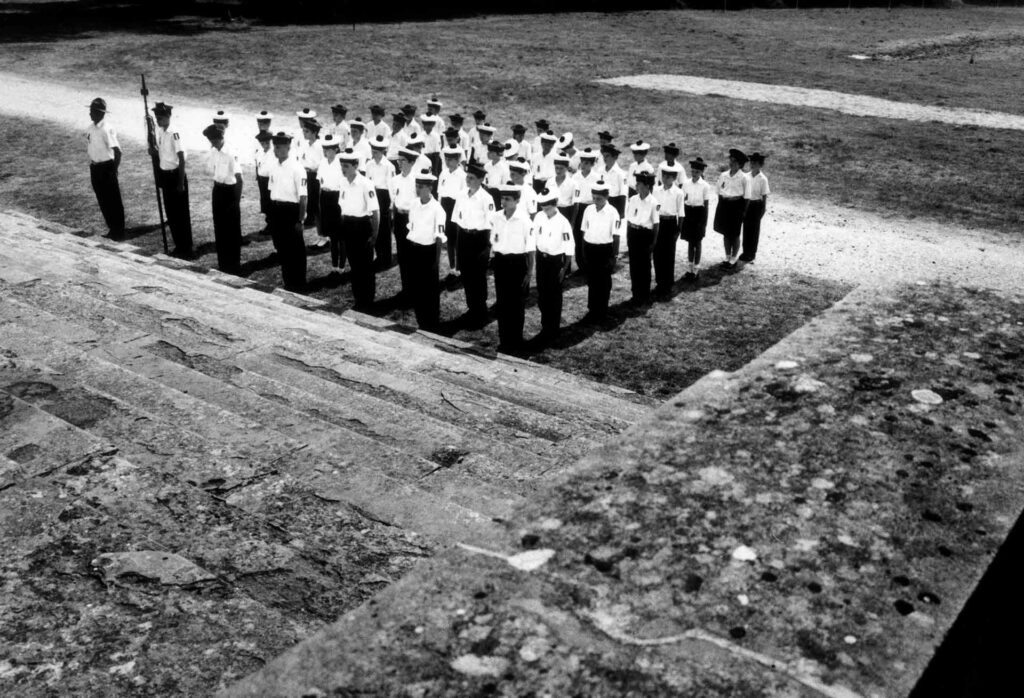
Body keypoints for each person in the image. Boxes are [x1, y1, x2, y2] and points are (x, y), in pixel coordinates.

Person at [489, 184, 535, 352]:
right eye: (502, 198)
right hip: (501, 262)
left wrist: (529, 272)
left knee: (516, 304)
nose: (504, 202)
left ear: (517, 200)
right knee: (502, 302)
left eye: (508, 199)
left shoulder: (525, 221)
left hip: (517, 264)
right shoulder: (495, 217)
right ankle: (504, 340)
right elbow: (493, 239)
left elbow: (530, 249)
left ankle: (516, 340)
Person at [452, 163, 495, 327]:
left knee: (478, 275)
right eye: (467, 177)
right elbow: (457, 220)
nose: (467, 180)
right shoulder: (462, 195)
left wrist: (489, 248)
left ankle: (480, 310)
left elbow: (491, 224)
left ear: (480, 180)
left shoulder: (486, 198)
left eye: (471, 178)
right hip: (464, 237)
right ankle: (472, 308)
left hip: (480, 239)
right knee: (466, 274)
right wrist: (458, 243)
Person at [338, 148, 381, 309]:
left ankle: (367, 301)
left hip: (362, 227)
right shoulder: (342, 182)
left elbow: (375, 211)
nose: (343, 169)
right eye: (342, 165)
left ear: (356, 165)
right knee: (354, 265)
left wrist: (375, 235)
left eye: (347, 166)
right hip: (348, 226)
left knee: (365, 267)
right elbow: (342, 206)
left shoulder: (366, 184)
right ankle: (358, 299)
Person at [405, 169, 447, 330]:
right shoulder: (414, 204)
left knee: (429, 288)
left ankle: (432, 321)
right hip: (414, 248)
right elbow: (412, 226)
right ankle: (421, 319)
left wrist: (436, 261)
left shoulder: (438, 209)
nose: (418, 189)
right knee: (417, 286)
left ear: (430, 188)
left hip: (428, 252)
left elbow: (439, 237)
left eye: (421, 186)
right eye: (417, 185)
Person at [266, 131, 308, 292]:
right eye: (274, 147)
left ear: (287, 148)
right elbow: (271, 191)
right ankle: (288, 281)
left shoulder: (297, 169)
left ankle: (299, 283)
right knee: (282, 248)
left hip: (291, 212)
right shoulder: (274, 167)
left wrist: (301, 220)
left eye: (278, 147)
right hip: (277, 211)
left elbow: (303, 197)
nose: (275, 150)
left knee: (295, 250)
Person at [532, 188, 574, 343]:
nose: (545, 209)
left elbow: (569, 246)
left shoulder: (563, 222)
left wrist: (564, 268)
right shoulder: (539, 217)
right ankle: (545, 325)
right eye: (542, 206)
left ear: (555, 203)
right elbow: (533, 236)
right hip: (541, 259)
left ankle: (553, 328)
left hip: (556, 262)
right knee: (542, 294)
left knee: (554, 295)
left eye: (548, 206)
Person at [151, 101, 192, 258]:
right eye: (157, 117)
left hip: (176, 176)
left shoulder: (175, 133)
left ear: (168, 116)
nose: (158, 120)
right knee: (171, 213)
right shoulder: (161, 132)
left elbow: (181, 158)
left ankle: (186, 247)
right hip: (166, 177)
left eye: (160, 117)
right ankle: (178, 245)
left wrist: (181, 182)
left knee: (181, 213)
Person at [203, 122, 243, 275]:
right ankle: (223, 263)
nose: (213, 143)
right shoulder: (214, 151)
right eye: (211, 141)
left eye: (215, 140)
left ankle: (233, 265)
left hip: (230, 192)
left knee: (231, 230)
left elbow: (240, 180)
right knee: (219, 227)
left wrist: (236, 202)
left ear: (221, 137)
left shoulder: (231, 153)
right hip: (218, 190)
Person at [580, 181, 621, 323]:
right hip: (590, 249)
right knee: (592, 280)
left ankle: (602, 311)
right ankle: (592, 309)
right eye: (594, 198)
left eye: (599, 198)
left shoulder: (613, 212)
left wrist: (614, 255)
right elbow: (584, 231)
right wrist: (584, 250)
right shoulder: (588, 210)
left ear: (606, 197)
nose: (596, 201)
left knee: (603, 282)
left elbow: (616, 236)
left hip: (605, 250)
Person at [86, 97, 125, 240]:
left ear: (100, 113)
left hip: (106, 167)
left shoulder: (107, 129)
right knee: (102, 200)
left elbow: (118, 152)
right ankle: (112, 229)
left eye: (92, 111)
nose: (90, 114)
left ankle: (119, 230)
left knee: (113, 200)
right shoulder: (90, 128)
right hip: (95, 168)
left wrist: (113, 170)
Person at [624, 170, 660, 305]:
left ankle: (644, 294)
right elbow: (629, 220)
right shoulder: (633, 199)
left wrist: (653, 243)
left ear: (646, 185)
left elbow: (656, 224)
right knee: (634, 265)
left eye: (638, 183)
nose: (636, 185)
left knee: (644, 266)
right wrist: (628, 236)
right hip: (633, 233)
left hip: (645, 236)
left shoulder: (654, 202)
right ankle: (635, 293)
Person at [389, 147, 419, 302]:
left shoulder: (417, 181)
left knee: (413, 256)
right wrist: (394, 219)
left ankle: (414, 290)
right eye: (398, 161)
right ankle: (406, 288)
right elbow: (394, 201)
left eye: (403, 161)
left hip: (413, 220)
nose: (399, 163)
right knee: (402, 255)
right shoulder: (395, 180)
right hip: (400, 219)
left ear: (412, 163)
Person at [714, 148, 749, 268]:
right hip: (724, 205)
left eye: (735, 161)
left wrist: (743, 211)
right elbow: (719, 191)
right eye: (731, 160)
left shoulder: (744, 178)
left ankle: (734, 258)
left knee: (734, 234)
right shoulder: (723, 175)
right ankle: (727, 256)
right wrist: (721, 206)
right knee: (725, 232)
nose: (731, 163)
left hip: (737, 206)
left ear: (740, 164)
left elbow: (747, 197)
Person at [653, 162, 684, 297]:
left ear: (674, 178)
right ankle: (659, 281)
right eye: (664, 176)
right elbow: (653, 210)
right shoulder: (656, 191)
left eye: (669, 176)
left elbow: (681, 213)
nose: (665, 179)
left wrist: (678, 230)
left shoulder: (678, 192)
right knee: (657, 253)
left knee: (669, 254)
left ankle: (668, 283)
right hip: (659, 222)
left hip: (671, 223)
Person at [316, 133, 345, 273]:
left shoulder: (341, 163)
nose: (326, 152)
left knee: (340, 235)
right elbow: (320, 181)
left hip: (337, 197)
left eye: (328, 149)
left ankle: (342, 266)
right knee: (332, 235)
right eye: (324, 149)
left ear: (335, 149)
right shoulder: (322, 162)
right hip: (326, 197)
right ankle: (334, 265)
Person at [365, 134, 394, 268]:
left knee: (384, 228)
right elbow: (367, 182)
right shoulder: (369, 164)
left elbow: (391, 186)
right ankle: (378, 255)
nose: (373, 154)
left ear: (382, 152)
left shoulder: (389, 166)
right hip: (372, 194)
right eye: (372, 151)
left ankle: (386, 257)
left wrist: (391, 203)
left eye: (376, 152)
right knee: (374, 225)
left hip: (384, 196)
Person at [681, 157, 712, 280]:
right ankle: (689, 267)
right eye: (693, 171)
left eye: (697, 172)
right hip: (689, 212)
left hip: (699, 213)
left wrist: (703, 222)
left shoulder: (705, 186)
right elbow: (684, 200)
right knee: (690, 241)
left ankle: (696, 269)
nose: (694, 174)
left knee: (697, 242)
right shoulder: (686, 184)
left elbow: (706, 205)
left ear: (701, 173)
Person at [438, 146, 467, 277]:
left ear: (457, 160)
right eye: (446, 159)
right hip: (445, 205)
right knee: (449, 238)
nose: (448, 162)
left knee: (458, 239)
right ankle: (452, 266)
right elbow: (440, 192)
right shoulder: (443, 173)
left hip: (457, 206)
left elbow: (464, 196)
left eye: (451, 159)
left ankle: (460, 268)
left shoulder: (463, 176)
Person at [570, 148, 601, 271]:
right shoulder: (575, 177)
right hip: (579, 208)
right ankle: (581, 265)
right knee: (578, 236)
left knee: (590, 235)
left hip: (591, 207)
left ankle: (591, 265)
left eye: (587, 163)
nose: (583, 165)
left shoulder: (596, 177)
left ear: (592, 164)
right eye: (582, 162)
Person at [740, 153, 770, 263]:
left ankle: (752, 253)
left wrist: (762, 210)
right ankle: (745, 251)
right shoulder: (746, 176)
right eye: (751, 162)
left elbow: (764, 196)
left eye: (755, 163)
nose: (752, 165)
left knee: (754, 230)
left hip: (756, 205)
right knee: (746, 229)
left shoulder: (763, 179)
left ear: (760, 165)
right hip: (747, 204)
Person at [254, 130, 274, 233]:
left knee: (272, 202)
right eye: (263, 143)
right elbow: (257, 164)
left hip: (271, 181)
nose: (265, 145)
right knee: (265, 202)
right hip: (262, 180)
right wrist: (257, 176)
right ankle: (269, 223)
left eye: (267, 142)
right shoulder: (260, 152)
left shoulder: (274, 153)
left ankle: (272, 225)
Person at [601, 145, 627, 216]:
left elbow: (623, 193)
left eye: (607, 156)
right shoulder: (600, 171)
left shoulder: (620, 173)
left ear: (615, 157)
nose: (605, 158)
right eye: (604, 156)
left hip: (615, 203)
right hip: (602, 202)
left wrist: (621, 213)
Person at [483, 139, 509, 208]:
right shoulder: (487, 165)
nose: (488, 153)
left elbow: (505, 186)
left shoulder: (504, 167)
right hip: (487, 193)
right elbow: (485, 183)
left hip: (498, 195)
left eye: (491, 152)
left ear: (497, 153)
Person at [552, 154, 576, 226]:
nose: (558, 171)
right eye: (556, 168)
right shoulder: (550, 182)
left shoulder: (573, 183)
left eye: (561, 168)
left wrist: (572, 223)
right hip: (552, 211)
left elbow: (576, 205)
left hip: (566, 212)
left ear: (567, 168)